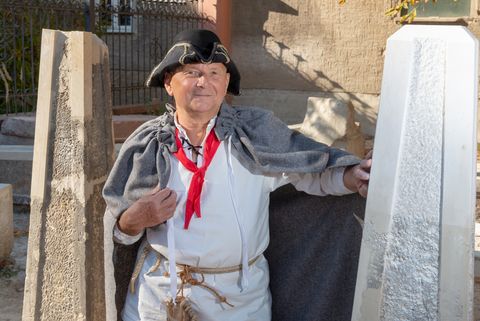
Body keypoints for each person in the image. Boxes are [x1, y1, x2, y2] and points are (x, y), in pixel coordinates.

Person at [103, 29, 371, 321]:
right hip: (158, 297)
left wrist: (351, 176)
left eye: (214, 72)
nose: (204, 82)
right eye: (192, 72)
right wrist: (133, 220)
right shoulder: (146, 145)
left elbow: (313, 174)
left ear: (226, 81)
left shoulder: (254, 135)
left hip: (239, 303)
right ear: (169, 82)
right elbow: (118, 228)